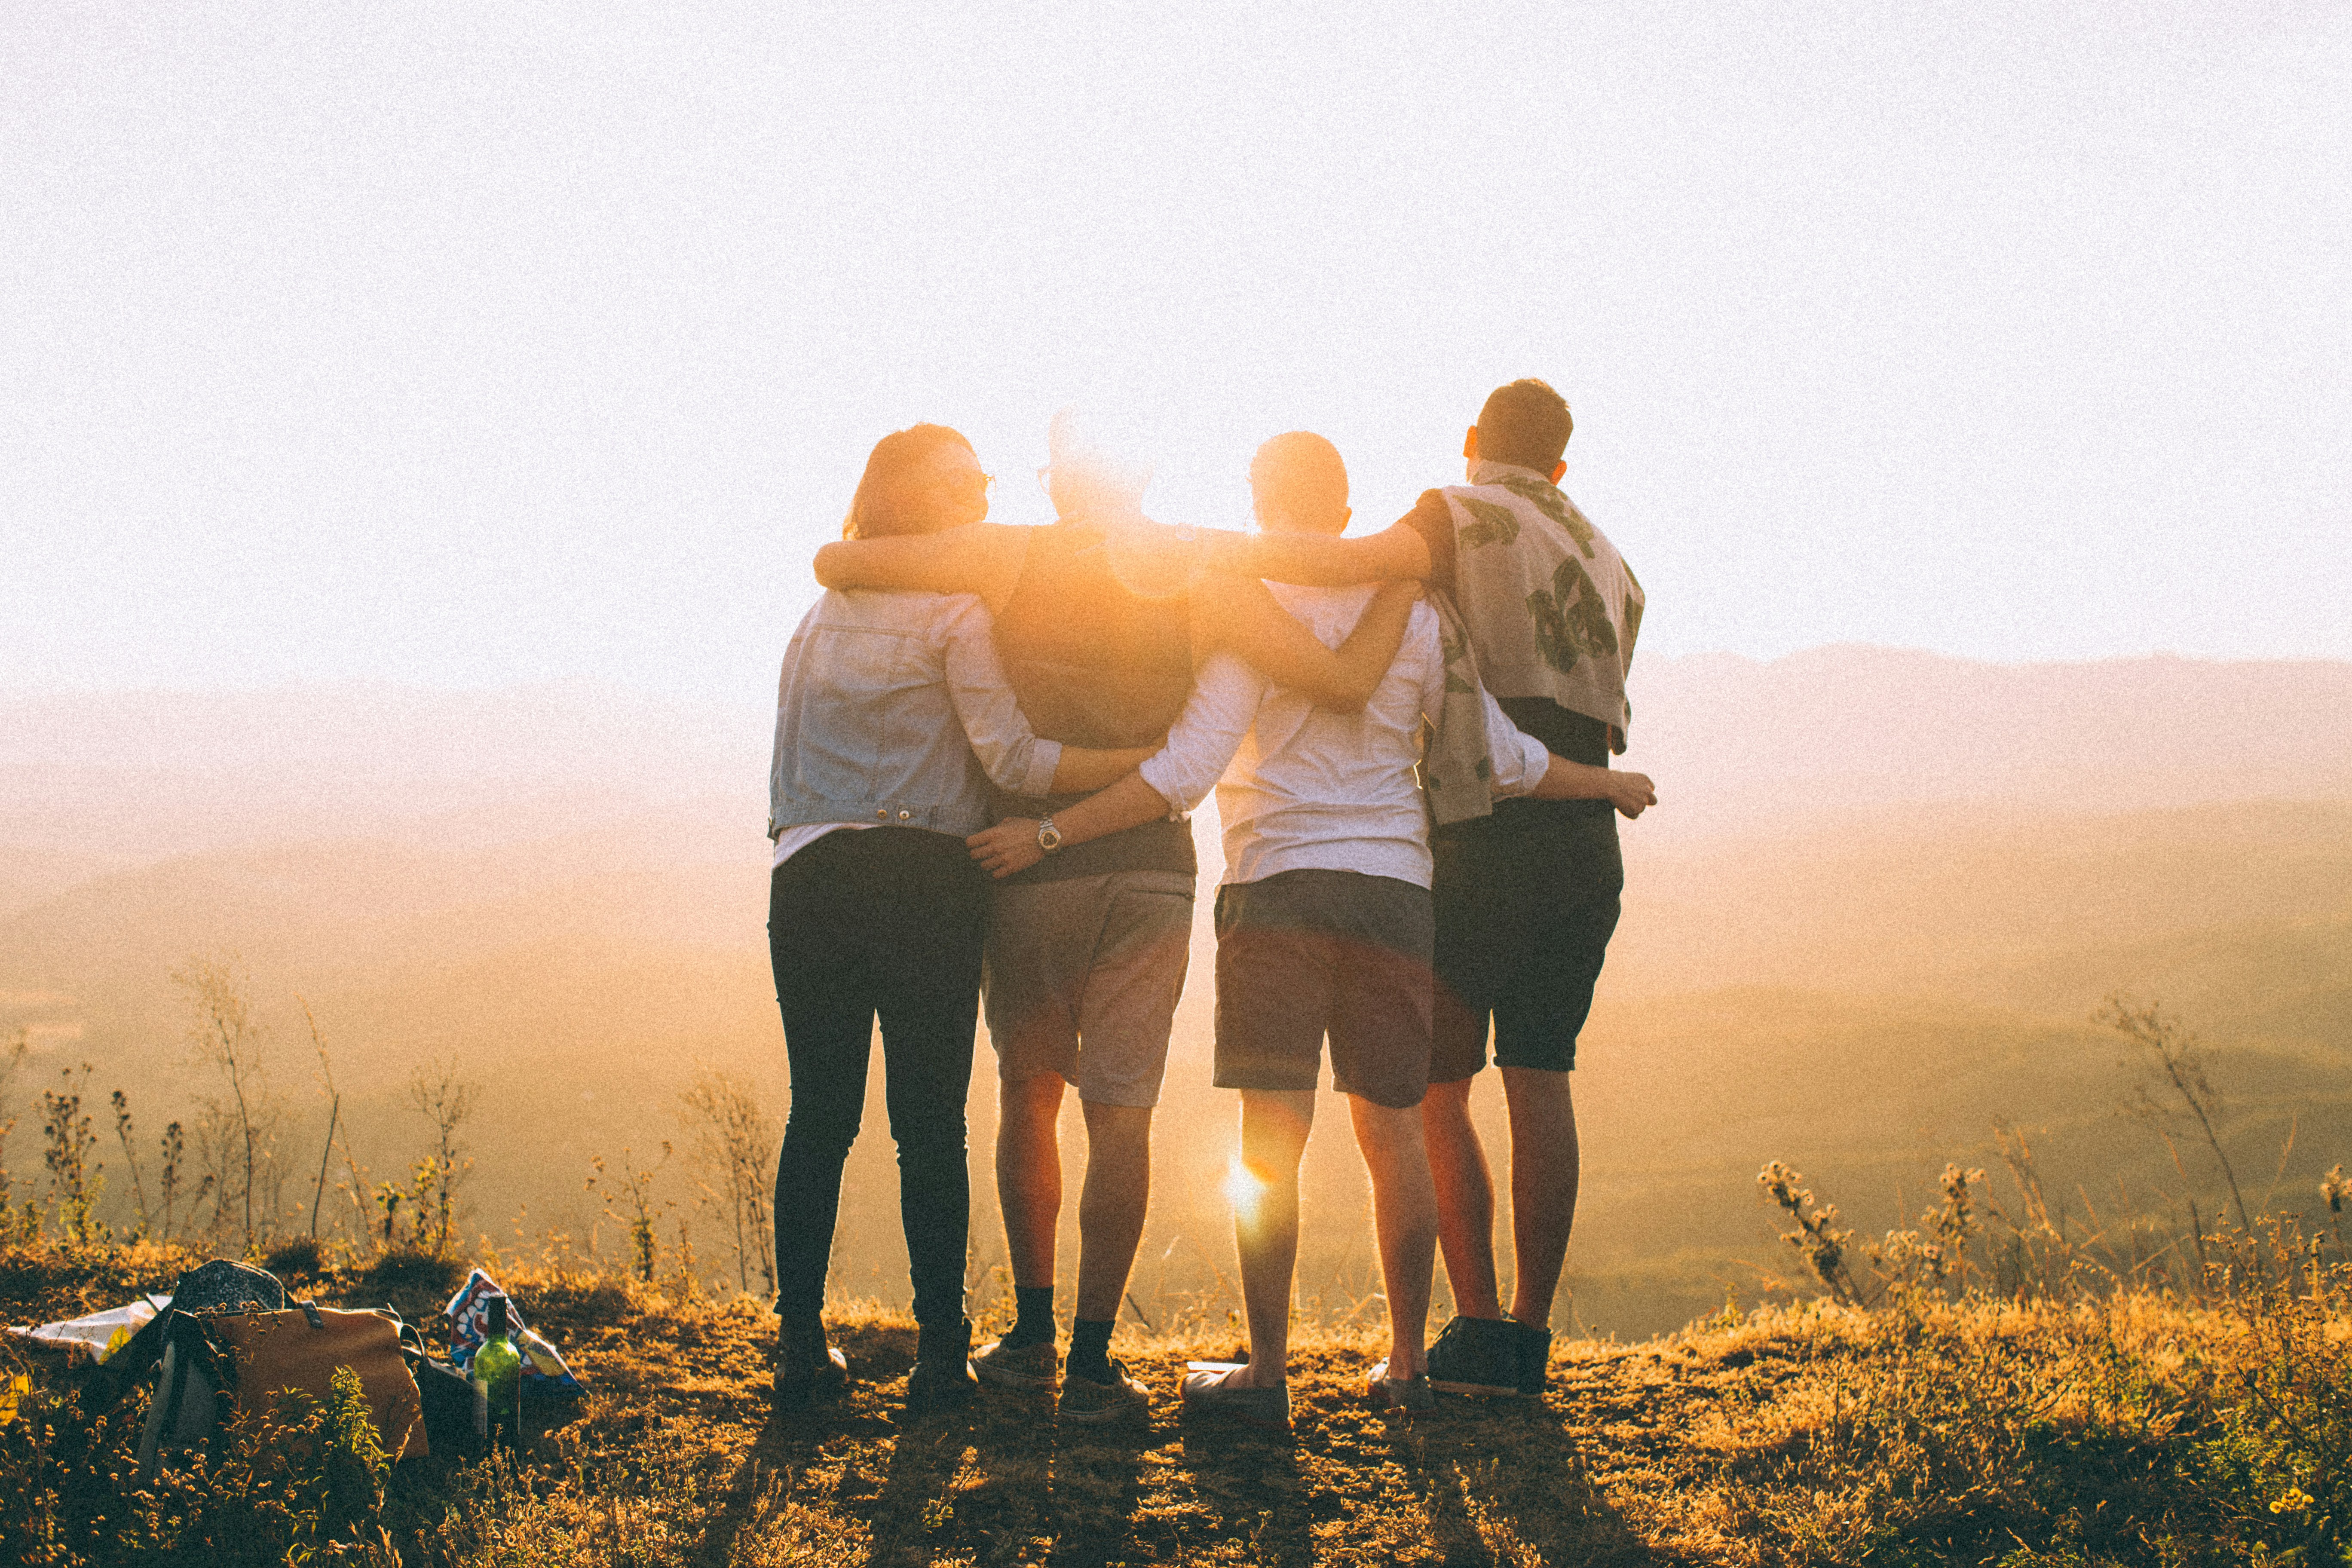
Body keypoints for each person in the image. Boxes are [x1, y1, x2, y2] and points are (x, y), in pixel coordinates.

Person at [967, 432, 1652, 1429]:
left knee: (1270, 1146)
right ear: (1344, 512)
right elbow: (1502, 757)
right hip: (1394, 896)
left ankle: (1269, 1374)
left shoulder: (1246, 610)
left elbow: (1185, 772)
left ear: (1258, 501)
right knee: (1394, 1135)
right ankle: (1409, 1366)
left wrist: (1052, 831)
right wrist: (1607, 784)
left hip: (1275, 889)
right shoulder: (1417, 613)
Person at [812, 410, 1417, 1424]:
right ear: (1145, 474)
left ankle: (1032, 1333)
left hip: (1026, 863)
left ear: (1057, 484)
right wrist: (1404, 576)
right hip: (1149, 869)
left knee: (1029, 1093)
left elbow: (840, 561)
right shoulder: (1201, 572)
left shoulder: (1003, 558)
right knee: (1122, 1113)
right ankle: (1095, 1361)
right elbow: (1338, 678)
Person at [1198, 380, 1650, 1397]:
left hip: (1482, 830)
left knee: (1431, 1093)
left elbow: (1349, 565)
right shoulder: (1612, 558)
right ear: (1563, 465)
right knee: (1543, 1078)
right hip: (1582, 835)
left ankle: (1474, 1330)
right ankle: (1525, 1341)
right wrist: (1609, 785)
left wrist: (1201, 551)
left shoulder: (1455, 514)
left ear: (1472, 441)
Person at [765, 423, 1161, 1412]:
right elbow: (1016, 764)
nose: (984, 496)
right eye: (966, 484)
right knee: (927, 1125)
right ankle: (942, 1354)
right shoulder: (954, 613)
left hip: (809, 875)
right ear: (918, 502)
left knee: (820, 1114)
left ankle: (800, 1347)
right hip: (925, 881)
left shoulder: (816, 618)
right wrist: (1143, 767)